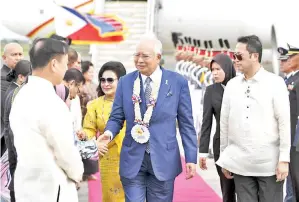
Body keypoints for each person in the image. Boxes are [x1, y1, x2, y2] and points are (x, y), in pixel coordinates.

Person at [98, 34, 197, 202]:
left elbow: (186, 122)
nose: (139, 60)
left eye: (145, 56)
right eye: (137, 55)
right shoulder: (125, 82)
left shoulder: (176, 82)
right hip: (133, 158)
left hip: (163, 159)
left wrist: (191, 156)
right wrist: (108, 133)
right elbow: (116, 117)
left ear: (158, 57)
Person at [216, 35, 290, 202]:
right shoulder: (232, 86)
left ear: (255, 56)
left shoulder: (275, 83)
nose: (235, 60)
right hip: (241, 165)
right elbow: (225, 123)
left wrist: (284, 159)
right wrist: (225, 156)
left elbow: (284, 122)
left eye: (239, 56)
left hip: (270, 166)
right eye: (234, 55)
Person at [9, 38, 84, 202]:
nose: (66, 68)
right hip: (51, 188)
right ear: (54, 64)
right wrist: (77, 172)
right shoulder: (51, 102)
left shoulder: (21, 95)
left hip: (26, 185)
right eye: (65, 64)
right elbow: (65, 151)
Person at [81, 61, 127, 202]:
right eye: (102, 80)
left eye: (110, 80)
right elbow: (89, 129)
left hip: (133, 158)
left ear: (121, 81)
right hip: (109, 159)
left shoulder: (133, 103)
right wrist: (84, 135)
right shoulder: (94, 105)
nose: (105, 84)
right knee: (112, 197)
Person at [199, 53, 236, 202]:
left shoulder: (241, 86)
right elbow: (206, 123)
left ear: (227, 68)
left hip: (242, 145)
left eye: (218, 69)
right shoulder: (211, 91)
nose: (214, 73)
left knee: (245, 189)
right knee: (227, 190)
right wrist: (202, 152)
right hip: (221, 146)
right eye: (212, 69)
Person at [2, 60, 31, 202]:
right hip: (15, 145)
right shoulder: (17, 93)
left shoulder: (13, 90)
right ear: (21, 77)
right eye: (30, 78)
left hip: (11, 143)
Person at [1, 43, 23, 155]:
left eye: (20, 54)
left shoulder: (20, 77)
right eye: (14, 55)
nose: (18, 58)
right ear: (4, 58)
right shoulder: (3, 79)